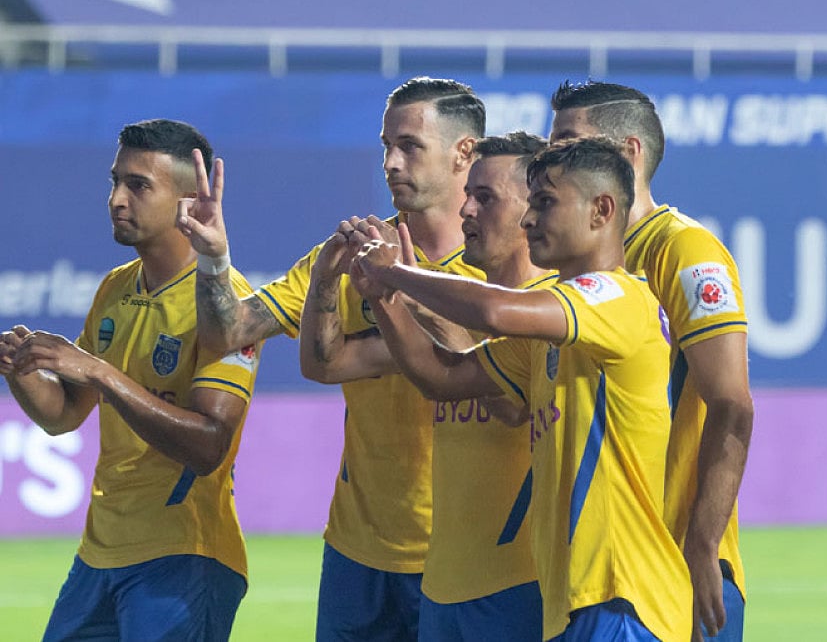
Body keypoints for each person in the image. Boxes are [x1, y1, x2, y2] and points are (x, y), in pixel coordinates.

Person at [176, 77, 486, 640]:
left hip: (465, 556)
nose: (391, 163)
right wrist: (214, 257)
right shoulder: (350, 254)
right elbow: (229, 333)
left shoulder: (499, 266)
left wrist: (403, 289)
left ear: (464, 152)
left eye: (410, 146)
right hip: (356, 553)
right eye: (386, 145)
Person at [349, 136, 692, 641]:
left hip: (623, 599)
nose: (529, 219)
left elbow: (493, 311)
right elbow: (443, 377)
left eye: (546, 203)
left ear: (601, 210)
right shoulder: (552, 332)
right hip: (573, 604)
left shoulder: (618, 296)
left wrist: (397, 273)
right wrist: (383, 298)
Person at [0, 119, 260, 640]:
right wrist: (20, 369)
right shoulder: (115, 288)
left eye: (138, 185)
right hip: (99, 555)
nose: (117, 199)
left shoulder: (224, 305)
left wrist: (100, 371)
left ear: (189, 202)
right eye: (115, 181)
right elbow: (63, 414)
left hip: (184, 555)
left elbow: (209, 445)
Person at [297, 132, 553, 641]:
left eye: (485, 199)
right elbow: (436, 376)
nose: (467, 211)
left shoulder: (552, 307)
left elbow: (509, 404)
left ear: (533, 213)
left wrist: (406, 288)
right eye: (468, 196)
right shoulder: (451, 296)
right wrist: (368, 290)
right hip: (442, 584)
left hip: (519, 583)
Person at [549, 81, 753, 641]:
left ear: (629, 152)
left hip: (678, 562)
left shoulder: (684, 250)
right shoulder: (579, 260)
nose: (552, 156)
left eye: (568, 142)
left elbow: (732, 405)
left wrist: (703, 544)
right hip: (603, 571)